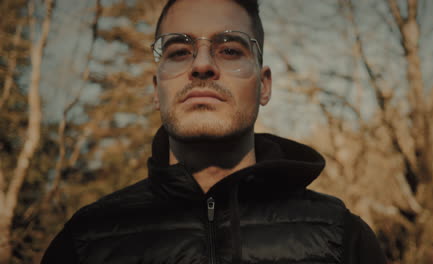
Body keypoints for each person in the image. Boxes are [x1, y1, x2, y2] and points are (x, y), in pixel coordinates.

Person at [42, 0, 387, 263]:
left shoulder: (343, 237)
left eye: (229, 49)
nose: (202, 65)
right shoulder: (86, 241)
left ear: (264, 86)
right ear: (155, 90)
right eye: (179, 50)